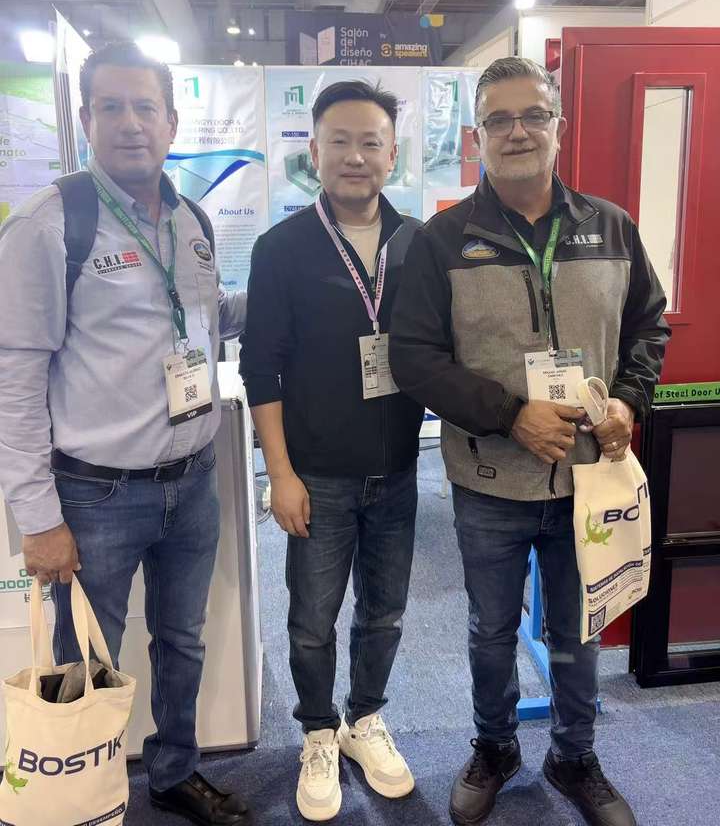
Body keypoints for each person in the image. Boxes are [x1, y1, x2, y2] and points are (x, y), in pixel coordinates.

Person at [389, 57, 670, 826]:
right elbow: (414, 358)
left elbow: (649, 324)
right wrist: (509, 414)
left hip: (591, 479)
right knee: (490, 630)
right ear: (476, 138)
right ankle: (495, 746)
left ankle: (575, 755)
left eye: (533, 116)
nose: (518, 132)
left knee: (582, 628)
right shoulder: (442, 240)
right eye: (499, 120)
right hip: (491, 481)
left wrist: (629, 399)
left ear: (558, 127)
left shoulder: (610, 227)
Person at [0, 42, 250, 826]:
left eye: (146, 107)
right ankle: (84, 798)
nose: (131, 123)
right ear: (86, 119)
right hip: (94, 496)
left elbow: (207, 320)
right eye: (112, 107)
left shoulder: (190, 218)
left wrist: (293, 292)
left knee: (182, 641)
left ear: (172, 121)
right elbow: (15, 376)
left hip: (192, 482)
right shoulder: (51, 223)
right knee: (86, 658)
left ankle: (174, 773)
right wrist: (36, 517)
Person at [241, 81, 423, 821]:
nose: (355, 156)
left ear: (392, 154)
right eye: (339, 142)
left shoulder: (417, 242)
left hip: (400, 471)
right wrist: (280, 474)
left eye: (370, 142)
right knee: (313, 619)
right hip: (316, 475)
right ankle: (318, 732)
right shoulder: (282, 248)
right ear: (313, 153)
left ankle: (365, 720)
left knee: (385, 613)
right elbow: (261, 369)